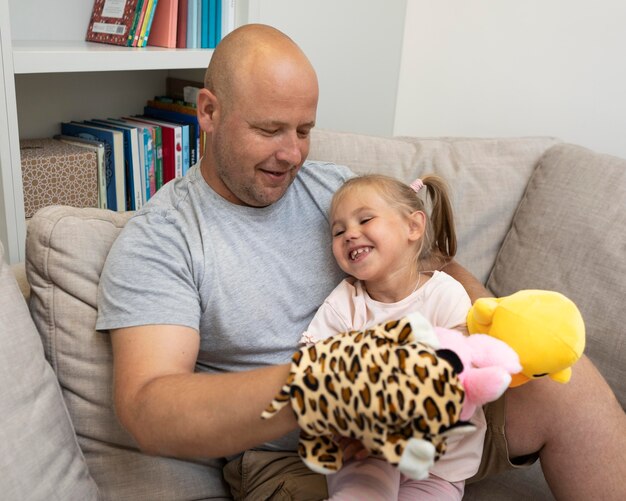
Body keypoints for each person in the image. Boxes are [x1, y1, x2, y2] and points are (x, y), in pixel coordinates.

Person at [96, 23, 626, 501]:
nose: (292, 155)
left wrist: (492, 330)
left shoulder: (333, 190)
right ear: (208, 112)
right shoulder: (162, 238)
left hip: (430, 425)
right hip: (298, 456)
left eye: (303, 130)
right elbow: (149, 407)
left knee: (569, 383)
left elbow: (433, 265)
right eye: (269, 129)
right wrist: (331, 384)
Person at [299, 173, 480, 500]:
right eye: (338, 231)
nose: (350, 234)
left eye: (365, 219)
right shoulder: (345, 304)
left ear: (413, 227)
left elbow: (463, 373)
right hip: (362, 456)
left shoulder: (446, 295)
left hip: (437, 464)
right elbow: (311, 369)